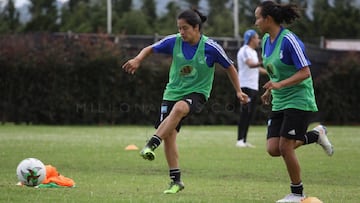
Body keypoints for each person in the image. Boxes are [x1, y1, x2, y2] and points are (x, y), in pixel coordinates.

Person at [122, 9, 248, 194]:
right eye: (179, 28)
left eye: (185, 28)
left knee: (181, 107)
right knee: (170, 135)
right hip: (172, 92)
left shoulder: (211, 47)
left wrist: (238, 91)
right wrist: (138, 59)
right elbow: (150, 48)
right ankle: (176, 181)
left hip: (198, 93)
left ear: (196, 28)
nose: (181, 32)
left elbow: (230, 67)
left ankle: (151, 143)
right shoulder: (174, 41)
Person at [254, 1, 334, 202]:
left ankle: (297, 194)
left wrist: (280, 85)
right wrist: (271, 89)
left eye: (258, 18)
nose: (256, 22)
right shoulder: (265, 40)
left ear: (268, 19)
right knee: (273, 149)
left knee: (285, 147)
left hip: (299, 100)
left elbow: (305, 72)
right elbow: (276, 71)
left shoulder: (289, 40)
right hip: (280, 101)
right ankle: (316, 135)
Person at [236, 29, 267, 148]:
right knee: (245, 113)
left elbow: (256, 68)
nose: (258, 40)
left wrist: (270, 72)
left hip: (253, 86)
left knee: (250, 114)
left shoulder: (253, 52)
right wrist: (265, 61)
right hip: (245, 86)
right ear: (251, 39)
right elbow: (250, 64)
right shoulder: (244, 50)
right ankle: (239, 140)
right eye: (257, 37)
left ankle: (244, 140)